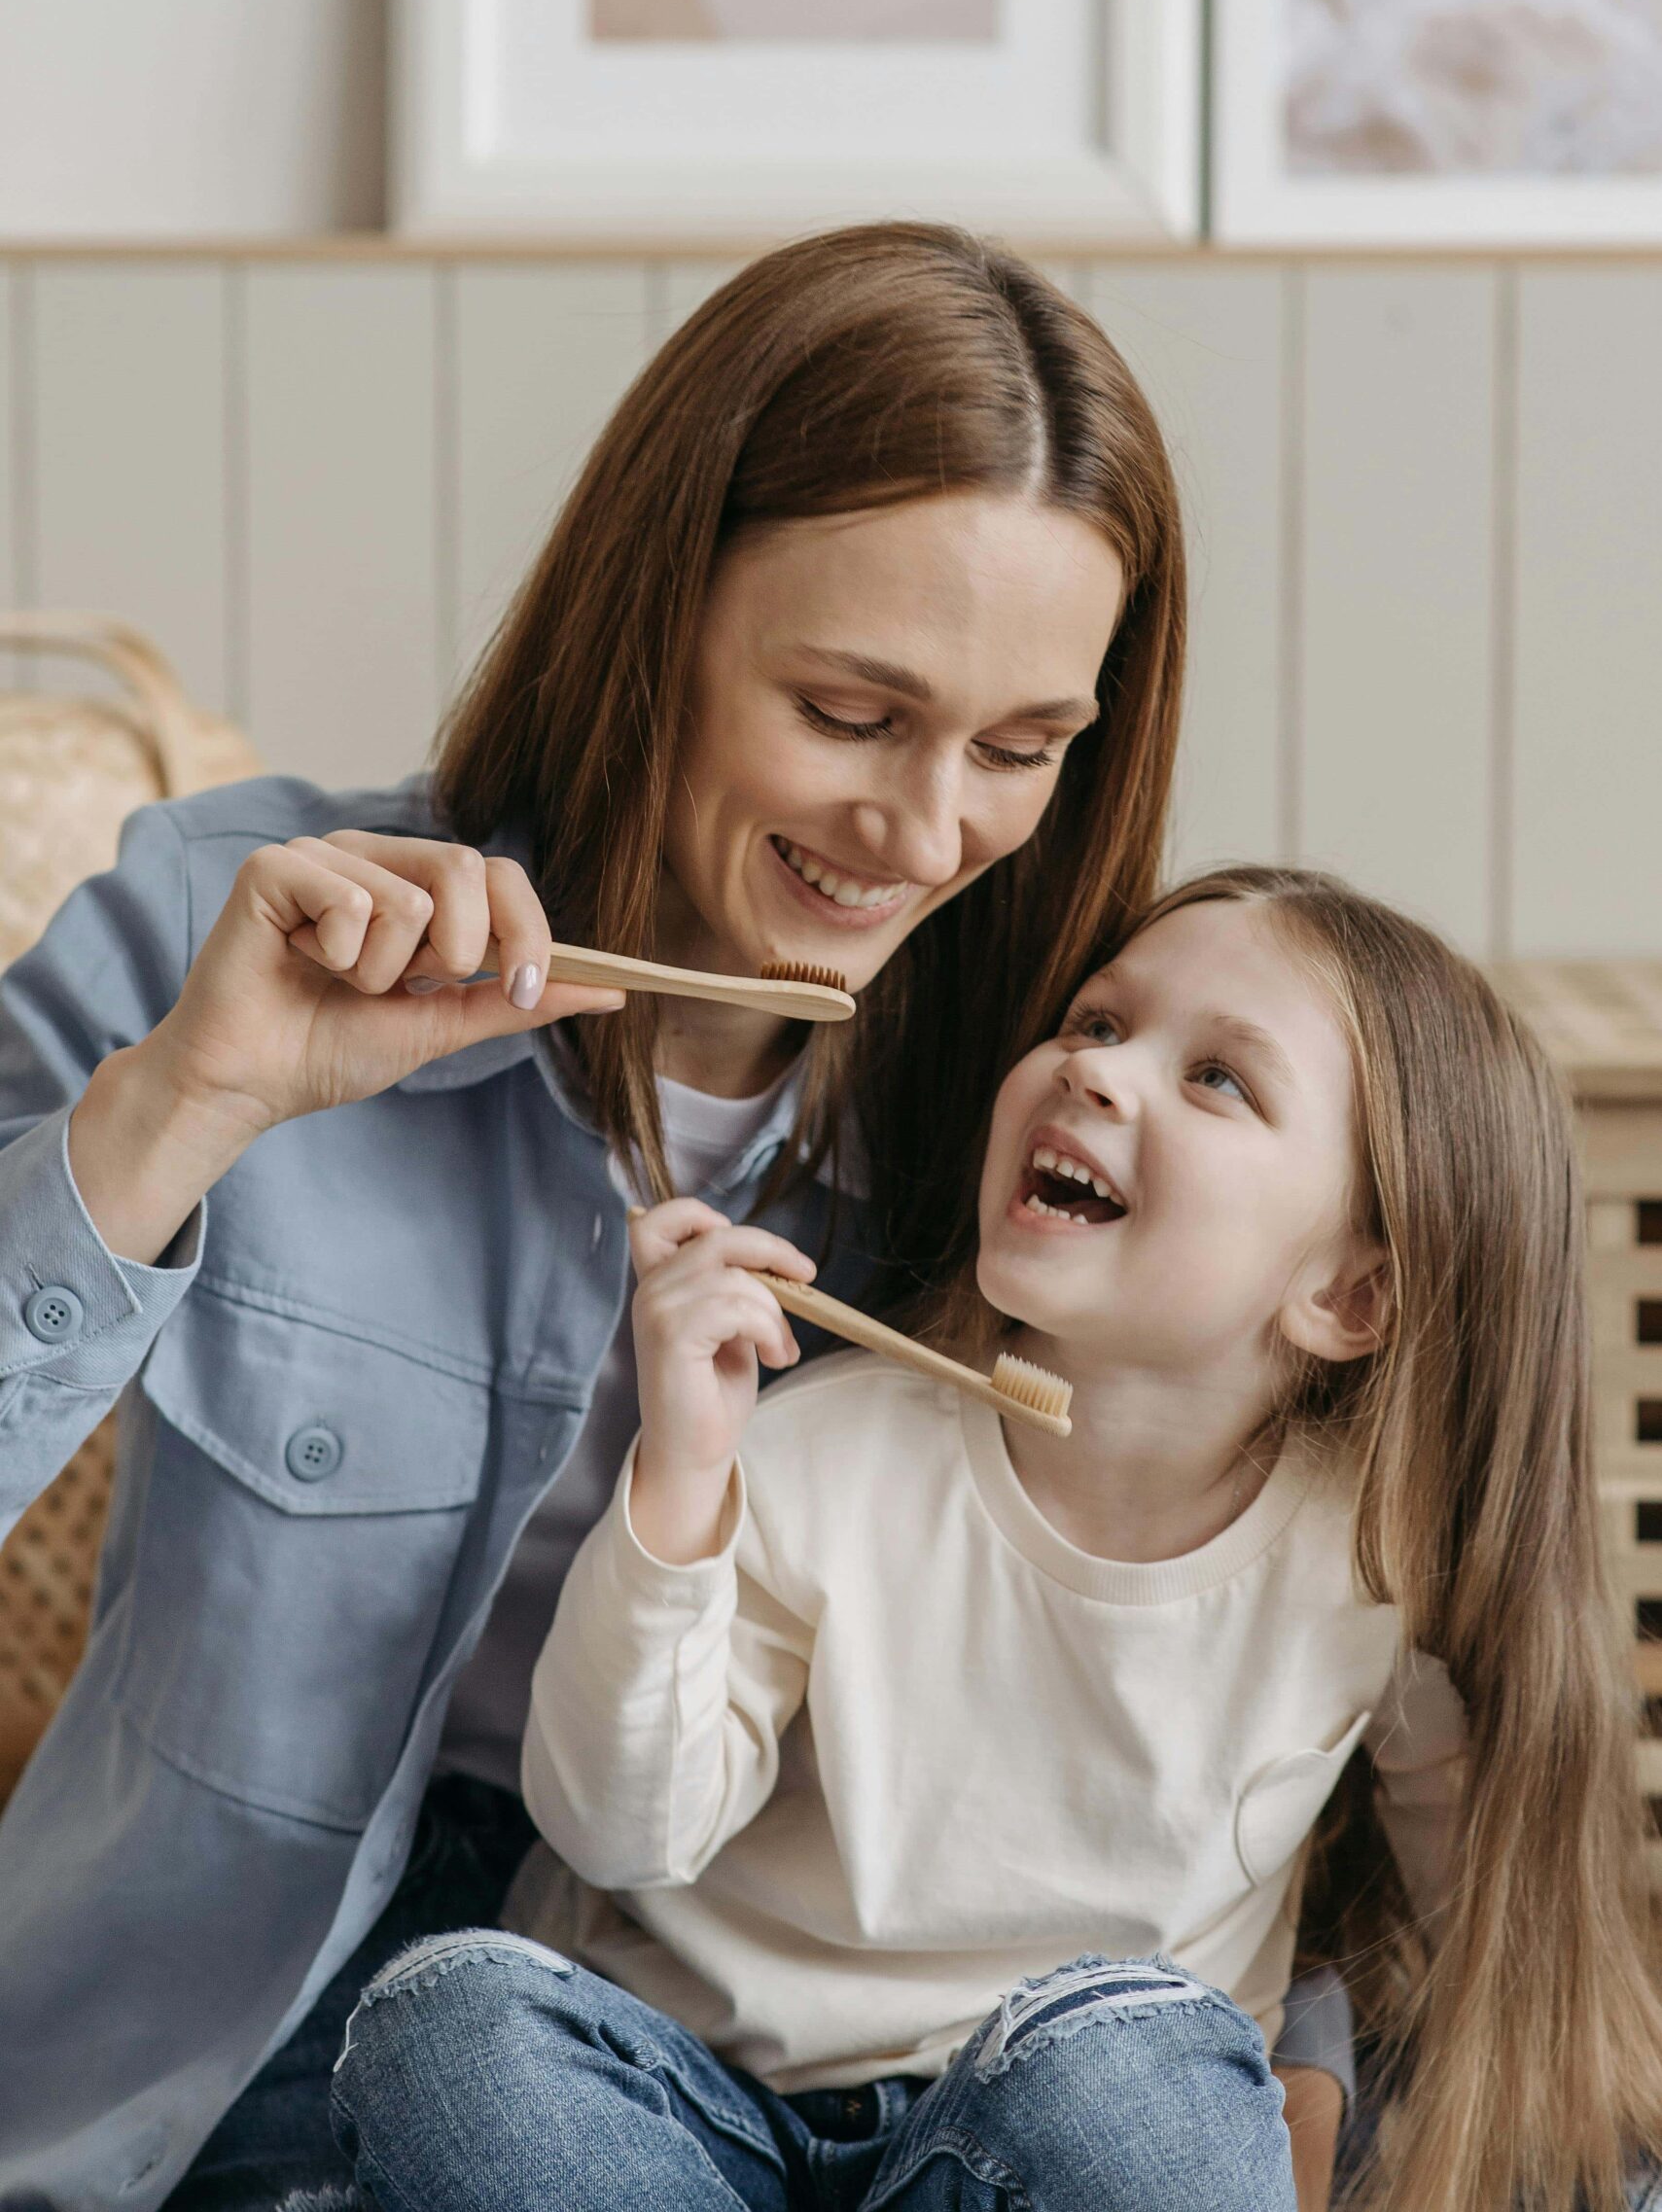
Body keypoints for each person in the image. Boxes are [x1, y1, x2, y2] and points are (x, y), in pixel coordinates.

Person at [0, 224, 1227, 2210]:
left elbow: (1277, 1596)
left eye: (1019, 751)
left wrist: (1326, 2065)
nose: (924, 836)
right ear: (655, 608)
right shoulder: (220, 925)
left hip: (796, 2061)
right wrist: (190, 1101)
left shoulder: (1060, 1107)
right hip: (235, 2059)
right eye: (847, 710)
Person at [326, 868, 1662, 2212]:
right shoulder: (822, 1455)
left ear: (1349, 1293)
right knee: (451, 2025)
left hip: (1049, 2138)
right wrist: (680, 1477)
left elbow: (1488, 1913)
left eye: (1215, 1080)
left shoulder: (1370, 1566)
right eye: (1094, 1021)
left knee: (1153, 2079)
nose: (1094, 1072)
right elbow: (617, 1833)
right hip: (699, 2116)